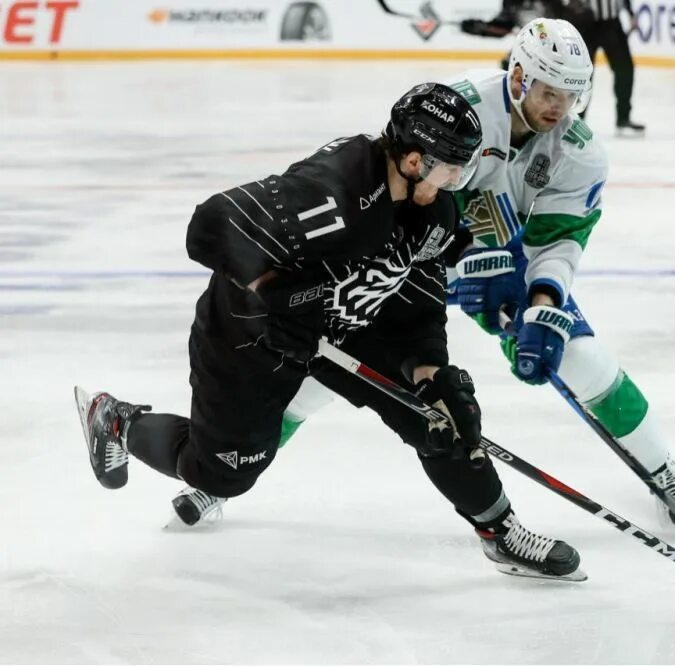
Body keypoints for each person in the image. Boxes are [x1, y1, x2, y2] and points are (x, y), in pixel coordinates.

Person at [74, 82, 584, 582]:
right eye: (451, 168)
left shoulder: (431, 209)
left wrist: (429, 370)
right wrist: (273, 297)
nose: (456, 181)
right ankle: (116, 419)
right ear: (413, 160)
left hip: (346, 320)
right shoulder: (334, 191)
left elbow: (421, 281)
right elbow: (212, 225)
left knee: (438, 417)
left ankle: (500, 532)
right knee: (223, 471)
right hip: (252, 335)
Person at [252, 19, 675, 530]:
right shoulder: (457, 112)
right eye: (549, 91)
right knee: (331, 367)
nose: (559, 106)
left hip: (502, 259)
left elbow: (555, 243)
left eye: (570, 94)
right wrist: (455, 261)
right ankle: (226, 469)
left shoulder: (580, 153)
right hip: (411, 252)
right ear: (518, 79)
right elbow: (409, 185)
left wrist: (543, 305)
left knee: (581, 357)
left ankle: (662, 470)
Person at [576, 0, 645, 135]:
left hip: (610, 22)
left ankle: (623, 118)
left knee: (625, 68)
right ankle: (576, 120)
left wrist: (630, 13)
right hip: (583, 22)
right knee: (582, 73)